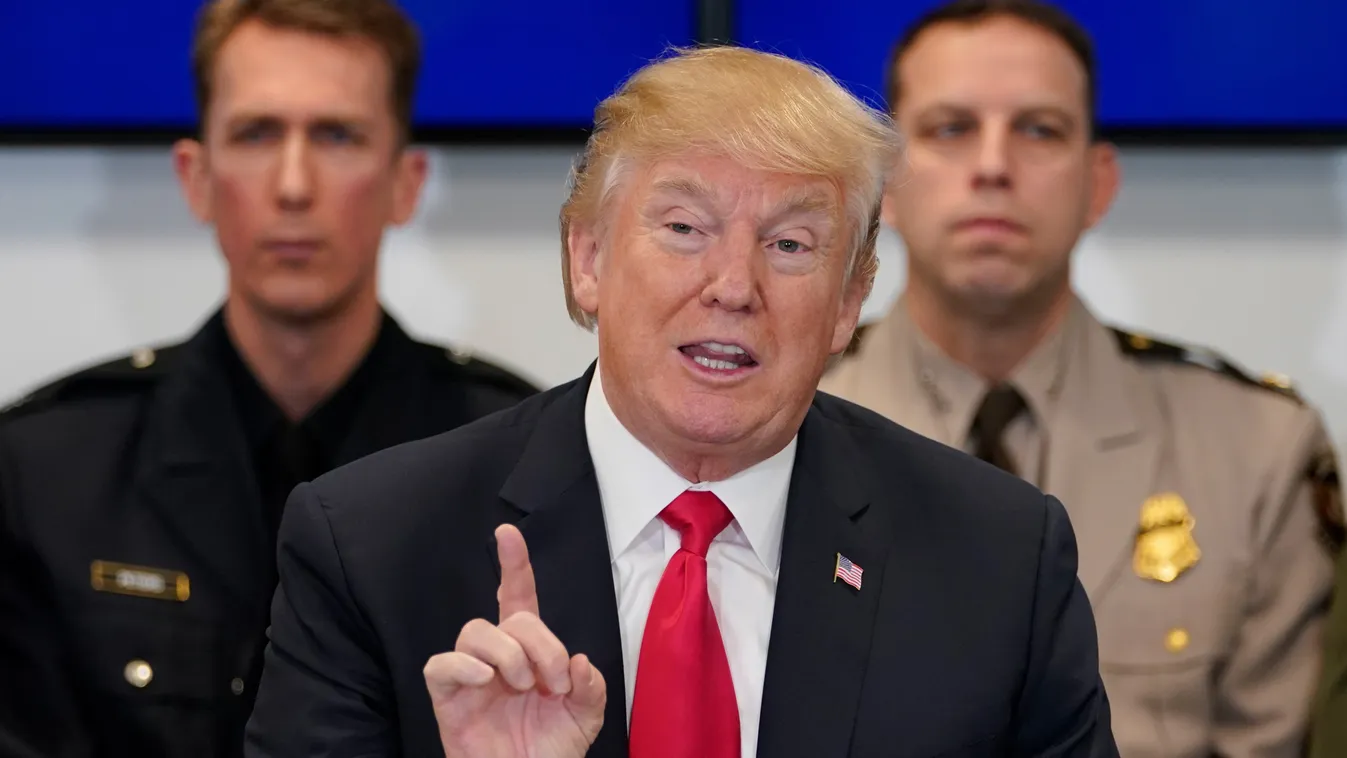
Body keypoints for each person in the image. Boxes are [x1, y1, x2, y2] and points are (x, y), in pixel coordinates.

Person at [242, 44, 1120, 757]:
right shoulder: (370, 546)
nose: (733, 286)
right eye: (683, 229)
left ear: (849, 300)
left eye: (789, 243)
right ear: (587, 260)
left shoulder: (999, 562)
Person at [0, 0, 540, 755]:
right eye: (256, 134)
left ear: (404, 184)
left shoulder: (515, 463)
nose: (293, 185)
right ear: (196, 178)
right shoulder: (45, 474)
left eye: (337, 136)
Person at [818, 1, 1344, 756]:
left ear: (1097, 184)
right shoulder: (781, 424)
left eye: (1039, 129)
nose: (993, 165)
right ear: (884, 186)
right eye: (949, 129)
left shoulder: (1256, 451)